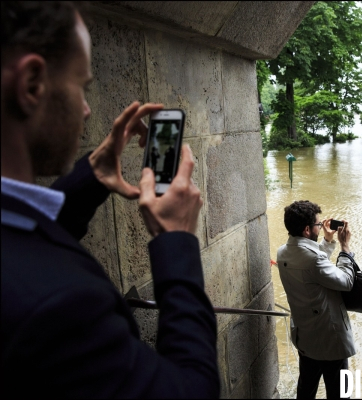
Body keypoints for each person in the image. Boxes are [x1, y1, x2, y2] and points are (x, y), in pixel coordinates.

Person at [1, 2, 218, 398]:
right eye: (81, 86)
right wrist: (177, 241)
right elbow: (193, 390)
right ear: (32, 84)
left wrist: (92, 176)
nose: (87, 110)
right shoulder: (63, 307)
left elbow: (20, 237)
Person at [276, 200, 355, 399]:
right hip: (330, 340)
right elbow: (346, 281)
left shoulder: (282, 253)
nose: (320, 228)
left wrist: (327, 242)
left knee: (306, 390)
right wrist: (345, 248)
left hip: (306, 337)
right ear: (306, 230)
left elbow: (312, 266)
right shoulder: (314, 259)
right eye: (318, 225)